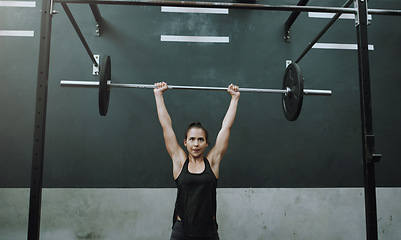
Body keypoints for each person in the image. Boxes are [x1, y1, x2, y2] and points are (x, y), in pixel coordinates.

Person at [153, 82, 240, 240]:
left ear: (206, 143)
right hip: (182, 232)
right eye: (192, 139)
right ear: (185, 142)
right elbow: (166, 125)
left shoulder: (212, 163)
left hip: (208, 232)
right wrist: (158, 95)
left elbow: (226, 127)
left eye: (200, 140)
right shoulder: (180, 162)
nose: (196, 144)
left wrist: (234, 99)